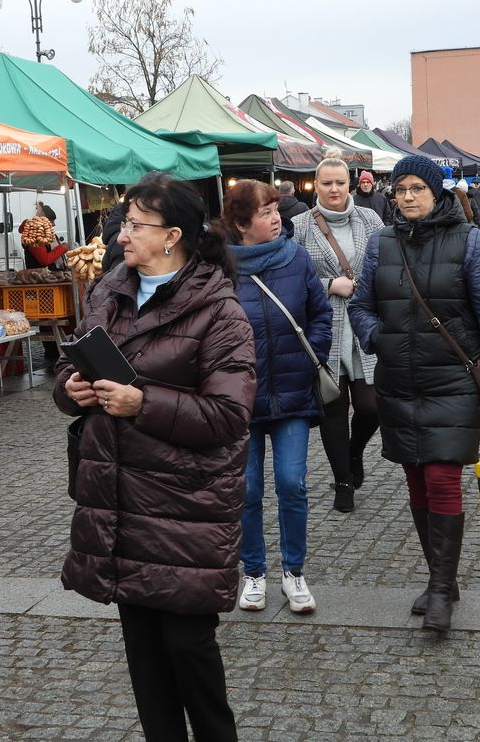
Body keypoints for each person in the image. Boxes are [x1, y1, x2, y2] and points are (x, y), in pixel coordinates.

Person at [55, 172, 255, 742]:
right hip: (118, 504)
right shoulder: (107, 292)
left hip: (184, 507)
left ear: (173, 237)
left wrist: (143, 403)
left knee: (189, 651)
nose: (121, 234)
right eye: (124, 222)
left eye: (135, 225)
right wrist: (73, 388)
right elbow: (73, 367)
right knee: (143, 657)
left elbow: (227, 416)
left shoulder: (220, 313)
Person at [348, 155, 480, 633]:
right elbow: (360, 306)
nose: (407, 196)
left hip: (452, 380)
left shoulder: (467, 240)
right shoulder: (381, 242)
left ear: (436, 191)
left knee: (443, 479)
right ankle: (439, 576)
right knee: (416, 482)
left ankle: (442, 590)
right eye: (400, 188)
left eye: (416, 188)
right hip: (398, 383)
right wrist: (375, 338)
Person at [222, 181, 333, 615]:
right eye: (265, 212)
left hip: (292, 392)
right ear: (239, 223)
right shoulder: (221, 268)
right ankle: (253, 572)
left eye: (276, 209)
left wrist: (313, 358)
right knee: (246, 490)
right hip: (240, 399)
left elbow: (320, 314)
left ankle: (293, 572)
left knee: (293, 484)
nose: (276, 218)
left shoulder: (296, 257)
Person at [291, 154, 384, 513]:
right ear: (316, 184)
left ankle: (354, 453)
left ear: (350, 184)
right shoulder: (299, 225)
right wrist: (330, 283)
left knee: (371, 406)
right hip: (323, 327)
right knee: (333, 406)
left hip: (363, 324)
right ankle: (343, 482)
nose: (333, 189)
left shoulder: (369, 218)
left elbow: (384, 262)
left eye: (340, 183)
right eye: (326, 183)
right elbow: (292, 275)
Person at [19, 202, 68, 270]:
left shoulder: (48, 233)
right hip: (39, 277)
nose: (54, 224)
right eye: (51, 221)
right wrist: (63, 248)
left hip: (52, 274)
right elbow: (45, 260)